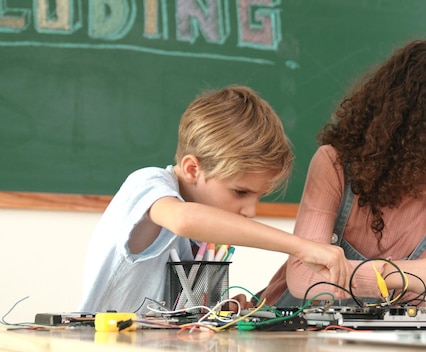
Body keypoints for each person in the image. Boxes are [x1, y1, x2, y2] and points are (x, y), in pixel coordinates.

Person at [259, 37, 426, 307]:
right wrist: (408, 274)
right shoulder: (334, 165)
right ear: (400, 130)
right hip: (294, 332)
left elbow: (419, 298)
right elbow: (303, 278)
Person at [78, 86, 352, 314]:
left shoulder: (208, 240)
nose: (251, 210)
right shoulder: (148, 184)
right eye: (240, 192)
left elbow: (185, 319)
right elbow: (185, 220)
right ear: (192, 169)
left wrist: (221, 311)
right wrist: (300, 247)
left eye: (258, 196)